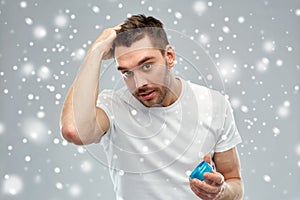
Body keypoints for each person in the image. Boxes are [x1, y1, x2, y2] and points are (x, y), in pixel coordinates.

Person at [60, 14, 244, 200]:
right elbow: (73, 130)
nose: (139, 83)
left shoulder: (213, 104)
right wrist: (96, 51)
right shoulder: (113, 106)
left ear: (169, 57)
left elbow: (234, 181)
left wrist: (221, 193)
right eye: (127, 73)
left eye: (147, 66)